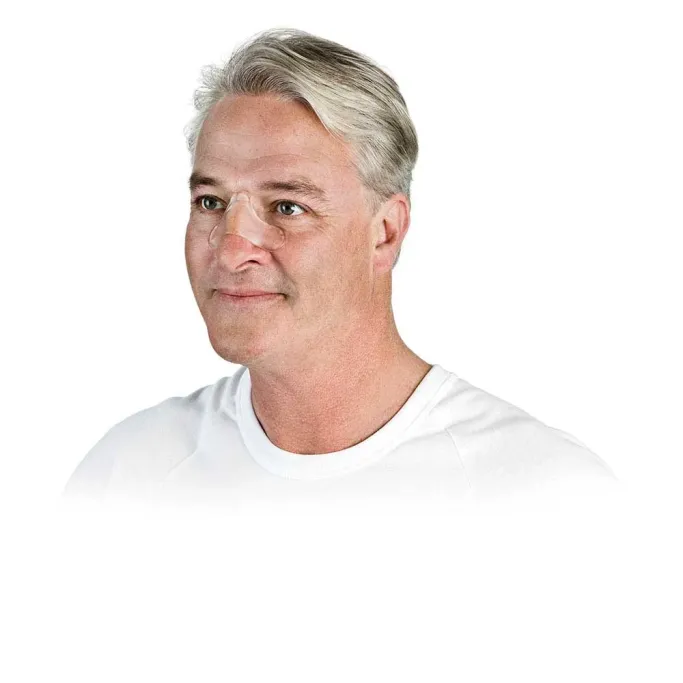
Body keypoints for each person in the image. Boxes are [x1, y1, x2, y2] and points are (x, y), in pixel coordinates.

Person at [63, 27, 616, 508]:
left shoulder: (544, 493)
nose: (231, 251)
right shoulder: (124, 478)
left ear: (385, 232)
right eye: (211, 202)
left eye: (288, 207)